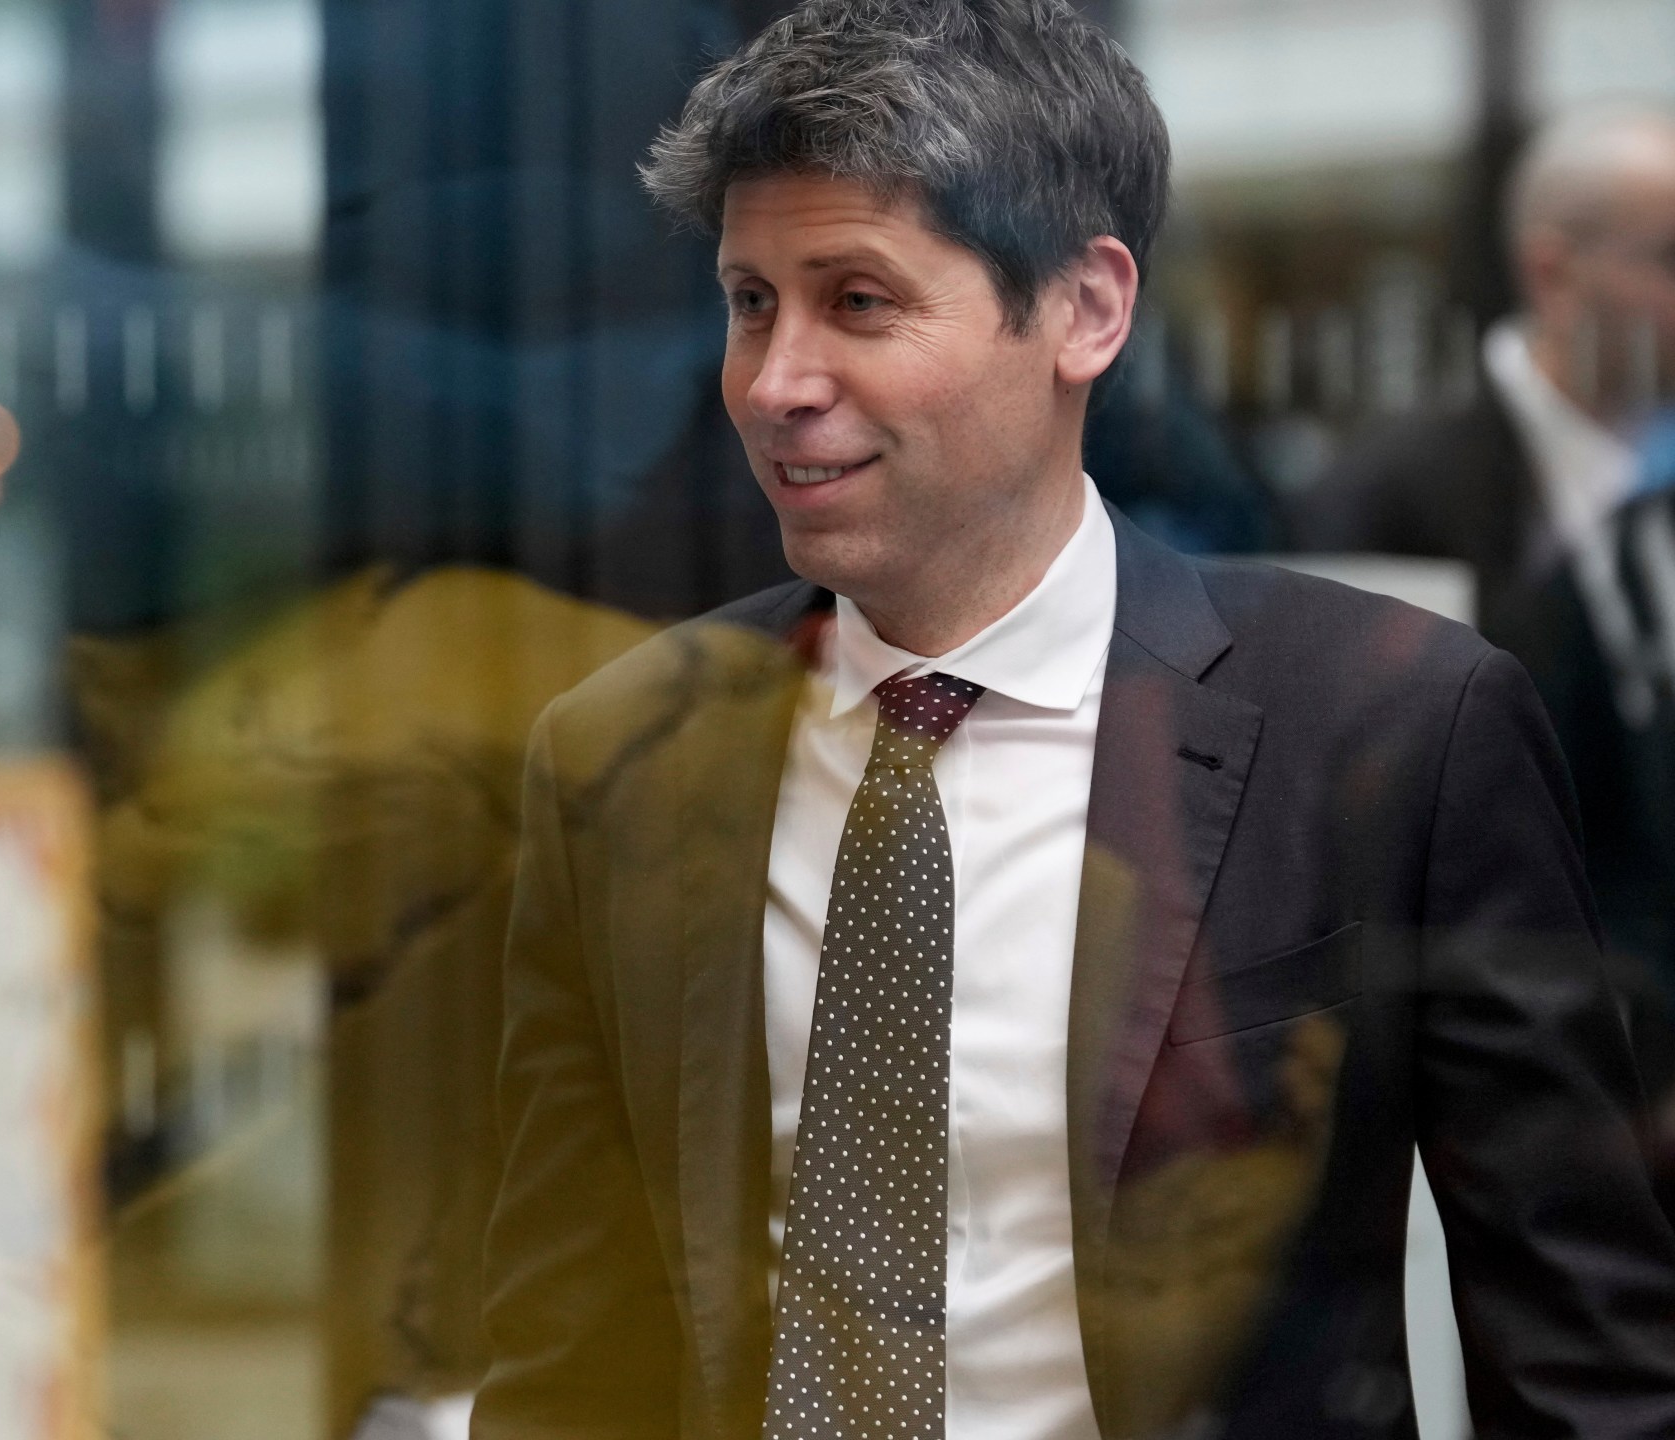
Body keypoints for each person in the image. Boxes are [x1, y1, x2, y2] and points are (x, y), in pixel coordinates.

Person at [474, 4, 1675, 1439]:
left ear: (1088, 311)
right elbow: (566, 1353)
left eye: (858, 301)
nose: (776, 383)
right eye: (749, 301)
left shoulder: (1392, 726)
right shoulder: (622, 754)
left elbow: (1578, 1357)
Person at [1298, 106, 1675, 1137]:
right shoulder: (1386, 498)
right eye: (1667, 259)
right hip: (1514, 1116)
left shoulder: (1655, 483)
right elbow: (1361, 856)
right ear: (1553, 273)